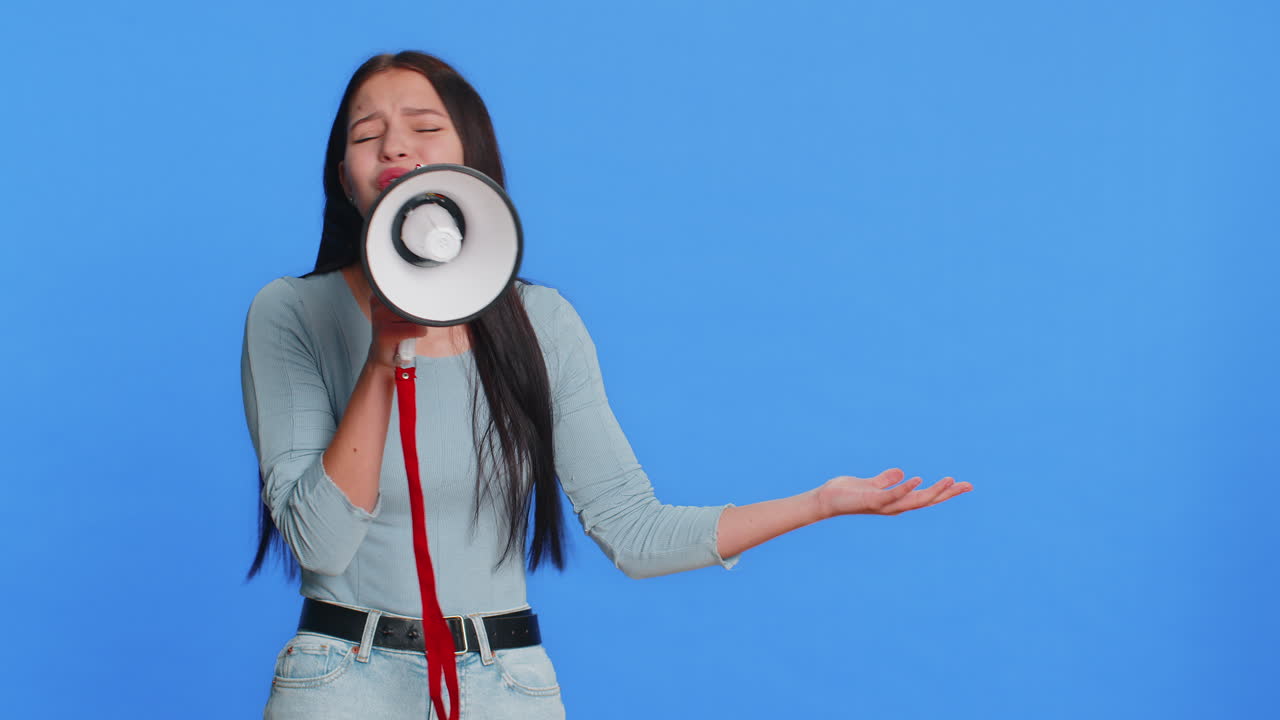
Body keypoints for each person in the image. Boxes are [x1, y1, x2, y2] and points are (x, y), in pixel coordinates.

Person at [240, 50, 972, 720]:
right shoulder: (293, 312)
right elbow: (320, 544)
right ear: (345, 176)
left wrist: (820, 503)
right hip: (342, 685)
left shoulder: (541, 323)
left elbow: (634, 533)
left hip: (506, 689)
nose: (395, 146)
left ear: (472, 159)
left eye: (425, 127)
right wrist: (381, 361)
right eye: (367, 134)